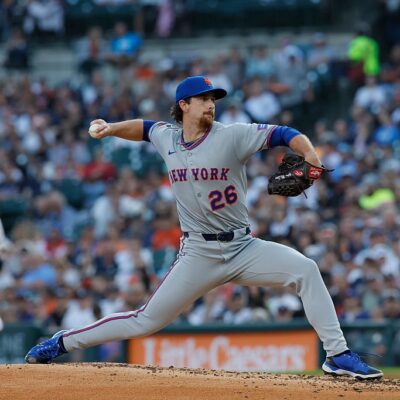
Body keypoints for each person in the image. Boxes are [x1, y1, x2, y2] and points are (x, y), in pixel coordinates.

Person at [25, 76, 383, 380]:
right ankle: (61, 342)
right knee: (145, 321)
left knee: (306, 269)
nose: (211, 105)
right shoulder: (168, 136)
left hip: (244, 248)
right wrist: (110, 129)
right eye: (203, 99)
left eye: (213, 99)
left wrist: (311, 157)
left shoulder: (232, 135)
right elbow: (145, 128)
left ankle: (337, 355)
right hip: (198, 252)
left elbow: (287, 133)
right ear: (184, 105)